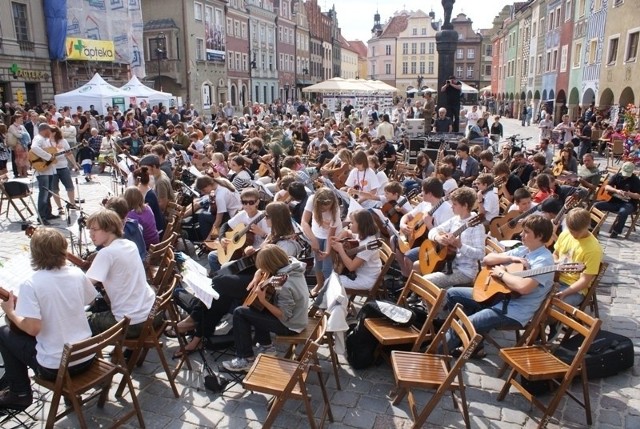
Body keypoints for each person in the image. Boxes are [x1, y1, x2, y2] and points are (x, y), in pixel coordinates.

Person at [172, 202, 306, 356]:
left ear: (276, 218)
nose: (265, 218)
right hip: (257, 274)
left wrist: (258, 269)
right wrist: (254, 252)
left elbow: (277, 272)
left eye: (267, 216)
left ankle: (195, 322)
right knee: (221, 290)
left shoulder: (287, 244)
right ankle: (199, 334)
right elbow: (265, 259)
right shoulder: (274, 234)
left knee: (219, 283)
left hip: (269, 286)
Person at [0, 228, 96, 411]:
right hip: (87, 356)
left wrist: (11, 312)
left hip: (57, 368)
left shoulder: (31, 284)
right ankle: (67, 397)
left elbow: (33, 329)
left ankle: (19, 392)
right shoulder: (76, 274)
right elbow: (89, 300)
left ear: (35, 254)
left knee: (4, 333)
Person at [444, 215, 555, 355]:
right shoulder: (523, 250)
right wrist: (510, 258)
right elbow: (486, 259)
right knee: (452, 294)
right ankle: (472, 342)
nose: (521, 234)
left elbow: (523, 287)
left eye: (526, 232)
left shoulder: (544, 261)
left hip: (513, 311)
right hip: (497, 297)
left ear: (539, 236)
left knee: (462, 324)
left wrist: (502, 274)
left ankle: (437, 354)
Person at [222, 245, 308, 372]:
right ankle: (267, 346)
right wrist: (258, 274)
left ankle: (245, 359)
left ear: (270, 265)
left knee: (240, 313)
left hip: (291, 326)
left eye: (263, 267)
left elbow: (284, 315)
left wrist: (263, 300)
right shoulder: (291, 265)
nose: (262, 269)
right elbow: (268, 275)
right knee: (256, 307)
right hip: (299, 316)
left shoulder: (284, 284)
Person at [85, 209, 155, 338]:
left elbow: (84, 285)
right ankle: (129, 352)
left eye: (94, 229)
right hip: (152, 313)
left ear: (109, 228)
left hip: (133, 324)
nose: (91, 234)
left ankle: (89, 357)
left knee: (83, 323)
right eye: (90, 230)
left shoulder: (106, 253)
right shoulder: (129, 244)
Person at [420, 187, 485, 288]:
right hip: (449, 264)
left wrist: (460, 245)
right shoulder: (455, 219)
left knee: (425, 281)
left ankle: (439, 303)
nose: (451, 207)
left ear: (465, 206)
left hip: (464, 272)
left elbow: (480, 254)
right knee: (418, 265)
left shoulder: (476, 226)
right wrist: (438, 238)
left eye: (455, 204)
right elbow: (433, 231)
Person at [311, 209, 381, 297]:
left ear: (361, 225)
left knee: (330, 282)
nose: (349, 224)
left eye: (352, 222)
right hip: (357, 274)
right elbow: (346, 232)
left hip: (366, 279)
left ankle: (324, 308)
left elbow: (351, 267)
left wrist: (340, 250)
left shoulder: (367, 245)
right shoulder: (362, 235)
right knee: (332, 279)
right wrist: (339, 239)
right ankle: (334, 307)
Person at [396, 178, 454, 277]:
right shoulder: (425, 204)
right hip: (418, 239)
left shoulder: (446, 210)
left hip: (432, 245)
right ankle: (405, 275)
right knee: (395, 240)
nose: (421, 193)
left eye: (423, 191)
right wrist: (402, 225)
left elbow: (442, 238)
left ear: (430, 194)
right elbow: (408, 216)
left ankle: (412, 283)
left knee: (409, 257)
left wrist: (428, 224)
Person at [207, 188, 270, 273]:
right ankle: (217, 278)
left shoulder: (263, 218)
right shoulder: (242, 214)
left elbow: (270, 239)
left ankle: (222, 278)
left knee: (225, 267)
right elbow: (225, 225)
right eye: (244, 202)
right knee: (212, 256)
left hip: (253, 253)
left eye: (251, 202)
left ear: (257, 202)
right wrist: (222, 238)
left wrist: (261, 233)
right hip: (237, 249)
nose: (247, 205)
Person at [553, 208, 603, 307]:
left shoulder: (593, 249)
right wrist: (556, 262)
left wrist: (565, 292)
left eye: (577, 232)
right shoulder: (566, 234)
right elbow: (555, 253)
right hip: (555, 279)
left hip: (574, 289)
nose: (573, 234)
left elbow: (584, 280)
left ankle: (549, 322)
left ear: (587, 226)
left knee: (552, 306)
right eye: (571, 231)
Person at [301, 188, 341, 288]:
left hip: (331, 236)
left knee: (327, 267)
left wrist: (327, 251)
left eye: (328, 208)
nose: (325, 210)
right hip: (316, 233)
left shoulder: (336, 210)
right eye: (322, 209)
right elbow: (304, 221)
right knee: (317, 262)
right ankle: (319, 284)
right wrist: (313, 240)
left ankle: (328, 291)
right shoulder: (311, 199)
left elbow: (330, 234)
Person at [594, 161, 640, 238]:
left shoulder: (636, 180)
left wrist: (629, 194)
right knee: (596, 205)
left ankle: (616, 231)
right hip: (614, 202)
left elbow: (638, 196)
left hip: (629, 203)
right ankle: (594, 227)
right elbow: (607, 187)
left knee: (623, 212)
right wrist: (616, 191)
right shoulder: (617, 176)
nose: (625, 176)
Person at [30, 123, 60, 225]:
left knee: (49, 192)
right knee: (44, 193)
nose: (50, 132)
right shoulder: (38, 138)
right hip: (42, 171)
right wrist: (48, 157)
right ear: (45, 130)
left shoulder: (46, 140)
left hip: (49, 169)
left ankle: (47, 213)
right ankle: (41, 217)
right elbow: (34, 148)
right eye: (49, 130)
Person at [50, 126, 79, 215]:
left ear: (54, 133)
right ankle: (59, 207)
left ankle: (72, 203)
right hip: (52, 169)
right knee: (55, 189)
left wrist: (74, 164)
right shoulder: (46, 142)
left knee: (70, 186)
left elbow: (69, 153)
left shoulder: (63, 141)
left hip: (63, 167)